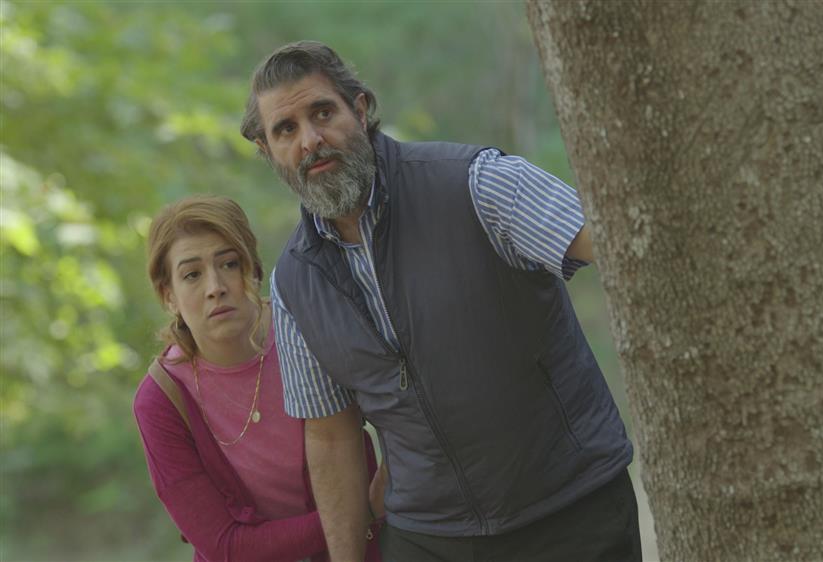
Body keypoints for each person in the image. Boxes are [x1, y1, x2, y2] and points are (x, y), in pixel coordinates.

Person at [240, 41, 640, 562]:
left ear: (359, 109)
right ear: (267, 151)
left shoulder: (478, 184)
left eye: (322, 113)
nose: (310, 141)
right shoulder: (293, 286)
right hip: (427, 537)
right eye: (285, 130)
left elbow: (621, 246)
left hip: (569, 513)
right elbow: (332, 438)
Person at [132, 195, 383, 562]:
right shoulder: (160, 401)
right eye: (192, 275)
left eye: (229, 264)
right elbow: (225, 546)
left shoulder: (307, 330)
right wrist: (362, 511)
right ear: (168, 296)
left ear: (252, 270)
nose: (215, 287)